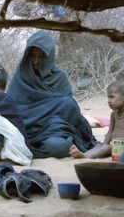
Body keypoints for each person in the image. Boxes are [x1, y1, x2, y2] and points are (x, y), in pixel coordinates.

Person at [7, 30, 98, 158]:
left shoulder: (59, 77)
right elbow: (12, 108)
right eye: (32, 56)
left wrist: (52, 120)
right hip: (26, 129)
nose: (36, 61)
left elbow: (67, 113)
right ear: (27, 56)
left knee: (60, 146)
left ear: (49, 57)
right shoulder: (21, 76)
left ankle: (29, 149)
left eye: (41, 57)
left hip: (53, 130)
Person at [70, 81, 124, 158]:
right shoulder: (114, 114)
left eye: (112, 97)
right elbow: (110, 133)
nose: (108, 100)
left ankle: (85, 156)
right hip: (114, 146)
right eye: (108, 97)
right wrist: (104, 145)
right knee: (98, 146)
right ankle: (84, 153)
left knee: (106, 148)